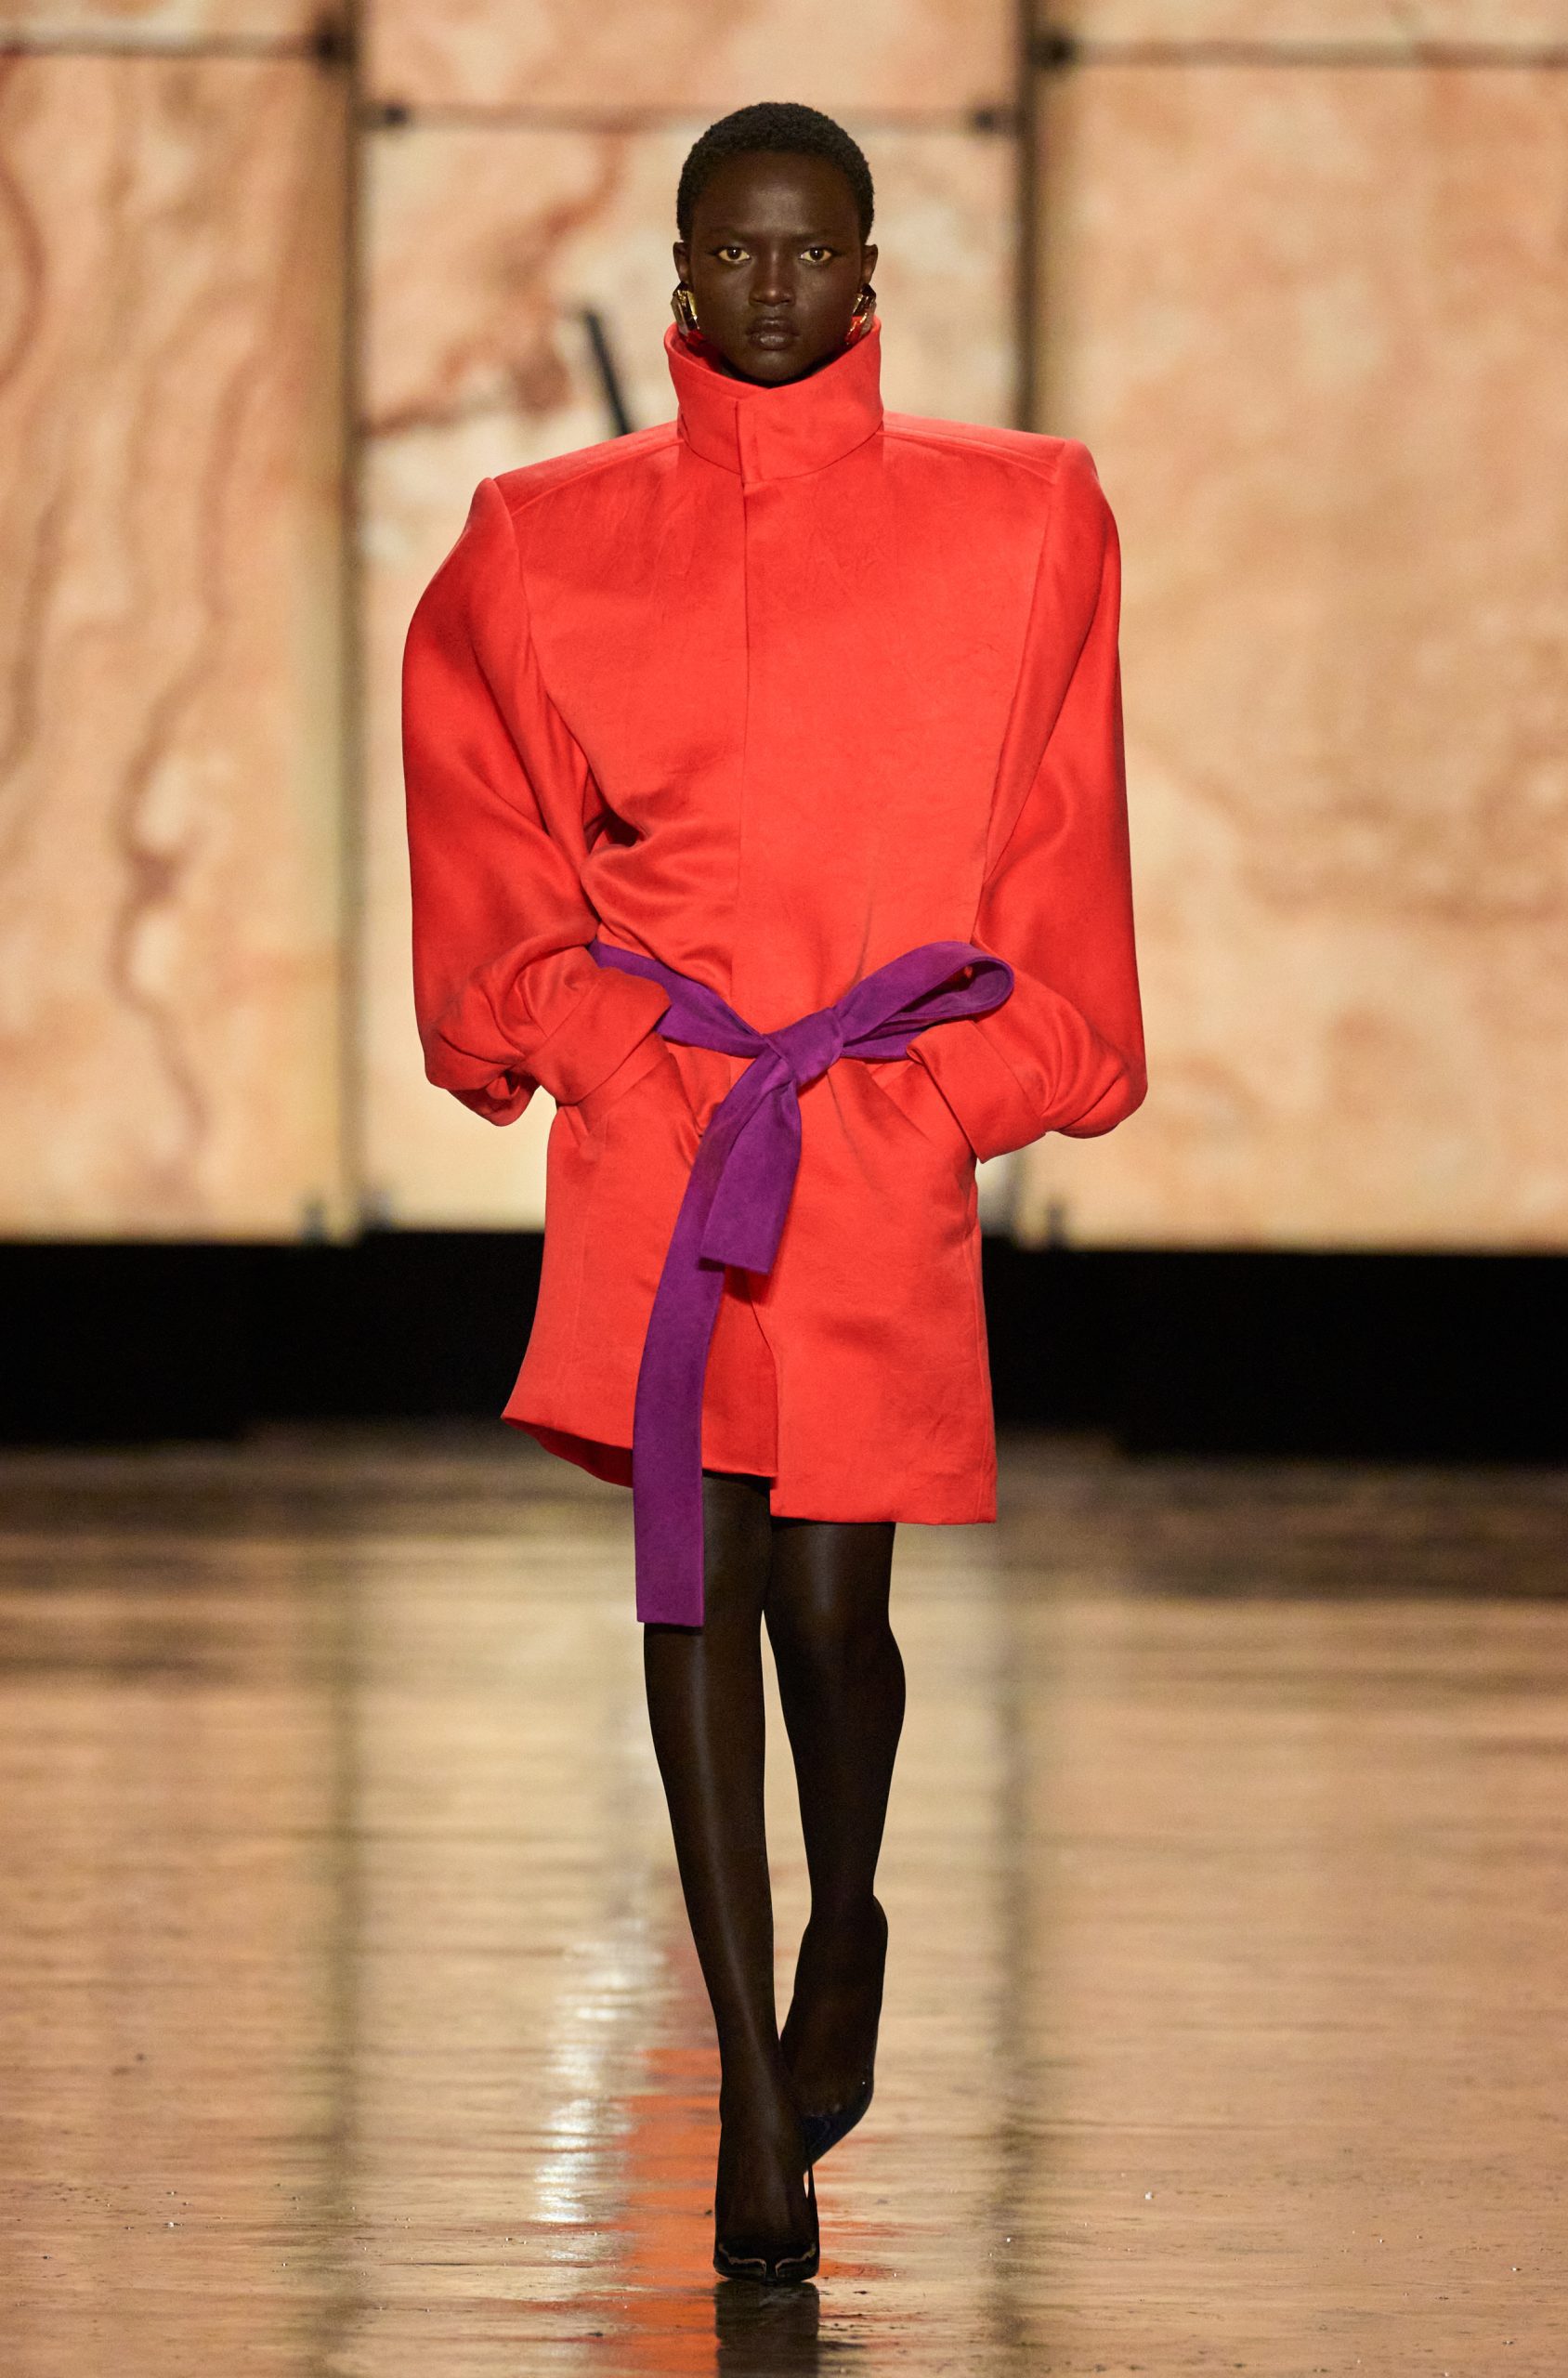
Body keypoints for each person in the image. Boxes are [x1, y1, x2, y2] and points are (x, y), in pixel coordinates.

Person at [402, 99, 1145, 2286]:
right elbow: (484, 824)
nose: (769, 288)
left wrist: (962, 1087)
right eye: (731, 252)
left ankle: (848, 1926)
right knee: (688, 1588)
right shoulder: (545, 536)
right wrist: (585, 1036)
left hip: (863, 1114)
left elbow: (1059, 841)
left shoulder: (1018, 518)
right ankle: (746, 2080)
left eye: (809, 252)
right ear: (676, 268)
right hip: (669, 1124)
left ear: (869, 270)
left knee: (833, 1609)